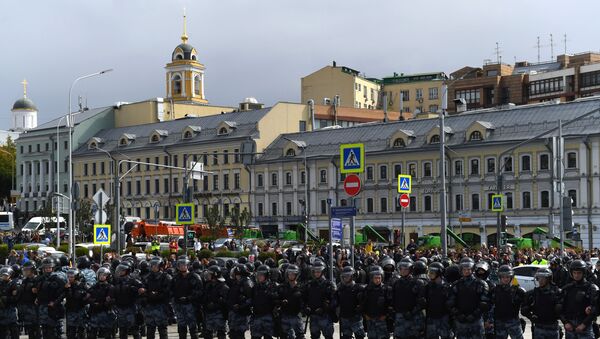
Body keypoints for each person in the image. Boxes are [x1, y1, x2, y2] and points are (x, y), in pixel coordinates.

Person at [449, 258, 490, 339]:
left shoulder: (481, 284)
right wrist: (458, 314)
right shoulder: (456, 284)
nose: (466, 271)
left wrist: (474, 315)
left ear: (473, 269)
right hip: (461, 321)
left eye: (468, 269)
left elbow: (484, 303)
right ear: (461, 270)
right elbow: (450, 302)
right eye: (464, 269)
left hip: (476, 321)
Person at [560, 259, 599, 339]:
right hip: (569, 325)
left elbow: (596, 308)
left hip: (585, 326)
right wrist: (565, 322)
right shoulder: (567, 288)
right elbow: (559, 308)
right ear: (571, 273)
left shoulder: (591, 288)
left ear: (584, 273)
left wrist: (584, 324)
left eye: (579, 273)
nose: (576, 275)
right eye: (574, 273)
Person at [522, 267, 562, 339]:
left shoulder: (557, 292)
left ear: (549, 279)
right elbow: (523, 310)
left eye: (543, 278)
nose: (540, 280)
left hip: (552, 326)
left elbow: (563, 309)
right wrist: (531, 316)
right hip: (539, 327)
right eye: (539, 278)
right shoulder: (533, 293)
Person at [392, 257, 426, 339]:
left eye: (406, 269)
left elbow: (422, 302)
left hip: (414, 318)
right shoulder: (396, 283)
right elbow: (393, 300)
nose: (403, 271)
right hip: (400, 317)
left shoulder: (418, 283)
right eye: (401, 269)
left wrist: (412, 312)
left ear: (411, 270)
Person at [303, 260, 336, 339]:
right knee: (314, 336)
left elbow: (334, 301)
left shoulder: (329, 284)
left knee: (328, 336)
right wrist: (305, 308)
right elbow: (304, 298)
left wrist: (325, 309)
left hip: (325, 316)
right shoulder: (309, 284)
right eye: (315, 271)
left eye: (318, 271)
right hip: (313, 316)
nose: (316, 273)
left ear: (323, 271)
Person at [171, 256, 203, 339]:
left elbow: (199, 291)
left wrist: (189, 298)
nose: (182, 266)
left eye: (184, 265)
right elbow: (171, 290)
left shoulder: (194, 277)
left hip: (190, 305)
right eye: (180, 265)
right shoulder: (175, 278)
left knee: (193, 327)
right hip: (179, 305)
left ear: (188, 266)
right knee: (181, 326)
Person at [491, 265, 526, 339]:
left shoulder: (518, 291)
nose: (505, 279)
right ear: (500, 277)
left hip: (514, 322)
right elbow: (490, 307)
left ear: (511, 277)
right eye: (503, 277)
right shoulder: (494, 290)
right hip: (499, 323)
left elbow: (526, 305)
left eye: (507, 277)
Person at [141, 257, 172, 339]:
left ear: (160, 266)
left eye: (156, 265)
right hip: (150, 306)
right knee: (150, 329)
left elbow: (168, 291)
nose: (153, 267)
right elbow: (143, 288)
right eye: (152, 265)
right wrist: (146, 293)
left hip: (161, 306)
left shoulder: (166, 277)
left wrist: (158, 294)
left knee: (162, 329)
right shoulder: (147, 277)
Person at [111, 261, 143, 339]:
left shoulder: (133, 280)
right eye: (119, 270)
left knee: (134, 330)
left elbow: (142, 288)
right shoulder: (116, 281)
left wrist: (138, 290)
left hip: (131, 308)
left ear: (127, 271)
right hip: (120, 308)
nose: (120, 272)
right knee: (122, 330)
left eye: (122, 270)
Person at [425, 262, 453, 339]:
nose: (430, 274)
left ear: (439, 273)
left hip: (444, 319)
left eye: (432, 272)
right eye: (429, 271)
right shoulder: (427, 287)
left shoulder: (447, 287)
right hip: (431, 318)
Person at [359, 266, 389, 339]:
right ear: (372, 278)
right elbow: (363, 303)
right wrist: (365, 315)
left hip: (382, 319)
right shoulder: (367, 289)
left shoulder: (386, 289)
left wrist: (385, 315)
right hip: (370, 319)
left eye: (379, 278)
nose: (377, 280)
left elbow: (390, 303)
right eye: (375, 278)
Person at [336, 266, 366, 339]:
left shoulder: (359, 288)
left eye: (348, 276)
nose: (346, 278)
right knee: (346, 336)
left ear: (353, 276)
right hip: (344, 317)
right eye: (344, 276)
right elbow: (336, 301)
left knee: (359, 336)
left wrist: (361, 306)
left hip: (356, 318)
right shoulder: (340, 289)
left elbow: (366, 301)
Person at [250, 265, 279, 339]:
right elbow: (251, 299)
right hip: (256, 316)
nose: (259, 277)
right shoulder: (255, 287)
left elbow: (277, 301)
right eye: (258, 275)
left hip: (268, 316)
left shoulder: (273, 286)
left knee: (268, 337)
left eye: (261, 275)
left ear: (267, 275)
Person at [86, 267, 115, 339]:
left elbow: (110, 301)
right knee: (92, 333)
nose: (102, 276)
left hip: (105, 312)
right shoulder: (94, 287)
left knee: (107, 334)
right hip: (94, 312)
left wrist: (100, 304)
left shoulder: (110, 287)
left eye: (104, 275)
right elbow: (87, 297)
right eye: (100, 275)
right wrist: (92, 302)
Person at [202, 265, 229, 339]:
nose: (208, 275)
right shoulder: (208, 285)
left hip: (219, 314)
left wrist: (216, 305)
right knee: (207, 333)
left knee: (221, 333)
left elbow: (226, 301)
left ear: (215, 275)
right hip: (209, 313)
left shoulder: (223, 287)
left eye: (210, 274)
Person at [278, 264, 304, 339]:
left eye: (293, 274)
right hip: (285, 315)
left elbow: (306, 300)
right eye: (289, 274)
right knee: (284, 336)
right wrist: (281, 302)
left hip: (296, 315)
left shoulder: (301, 287)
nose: (291, 275)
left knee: (300, 336)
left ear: (297, 275)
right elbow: (276, 299)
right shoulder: (282, 287)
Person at [228, 263, 254, 339]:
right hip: (235, 313)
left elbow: (251, 299)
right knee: (233, 334)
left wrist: (241, 306)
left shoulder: (247, 283)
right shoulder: (237, 282)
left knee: (239, 334)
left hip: (242, 313)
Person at [18, 261, 40, 339]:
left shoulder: (37, 280)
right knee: (30, 331)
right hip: (26, 309)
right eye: (25, 269)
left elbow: (42, 294)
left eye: (27, 269)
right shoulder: (25, 280)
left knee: (37, 331)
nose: (25, 271)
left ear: (33, 270)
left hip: (35, 309)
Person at [64, 268, 88, 339]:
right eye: (68, 277)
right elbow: (61, 296)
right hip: (71, 310)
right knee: (71, 332)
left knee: (81, 332)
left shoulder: (83, 285)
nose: (70, 278)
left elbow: (89, 294)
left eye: (71, 277)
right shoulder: (67, 286)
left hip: (81, 310)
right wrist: (67, 289)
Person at [0, 266, 20, 339]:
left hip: (11, 309)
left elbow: (16, 298)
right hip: (2, 310)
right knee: (2, 330)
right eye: (3, 275)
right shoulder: (1, 284)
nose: (4, 276)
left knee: (13, 329)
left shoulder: (14, 284)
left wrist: (6, 299)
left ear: (10, 275)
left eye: (6, 275)